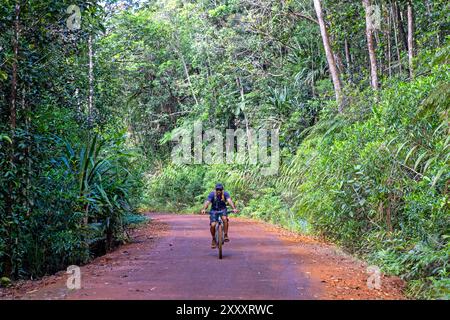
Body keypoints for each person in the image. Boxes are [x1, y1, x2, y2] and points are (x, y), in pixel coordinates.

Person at [201, 183, 238, 249]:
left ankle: (226, 235)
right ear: (215, 189)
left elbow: (229, 201)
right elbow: (207, 202)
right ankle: (213, 239)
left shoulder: (225, 194)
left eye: (220, 190)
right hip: (214, 210)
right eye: (217, 189)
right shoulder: (212, 194)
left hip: (223, 209)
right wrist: (204, 209)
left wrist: (233, 208)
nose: (219, 191)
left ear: (222, 190)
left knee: (225, 219)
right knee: (213, 225)